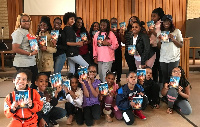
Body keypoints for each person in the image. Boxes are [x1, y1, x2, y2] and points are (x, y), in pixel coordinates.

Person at [12, 13, 38, 89]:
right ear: (19, 22)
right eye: (24, 21)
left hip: (31, 62)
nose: (27, 22)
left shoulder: (27, 32)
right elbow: (15, 48)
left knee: (35, 82)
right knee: (22, 84)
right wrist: (29, 53)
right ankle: (20, 100)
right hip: (22, 63)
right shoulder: (18, 32)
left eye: (28, 20)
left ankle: (33, 98)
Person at [157, 15, 183, 84]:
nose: (166, 24)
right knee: (164, 76)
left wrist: (173, 39)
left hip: (174, 57)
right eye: (164, 22)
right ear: (162, 23)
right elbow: (159, 47)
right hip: (163, 58)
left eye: (168, 22)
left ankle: (173, 93)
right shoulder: (160, 32)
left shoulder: (176, 31)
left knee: (173, 76)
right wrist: (159, 40)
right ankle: (165, 92)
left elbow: (181, 45)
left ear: (171, 22)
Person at [36, 16, 57, 81]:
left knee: (46, 80)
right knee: (40, 80)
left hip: (47, 62)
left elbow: (55, 49)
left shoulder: (51, 36)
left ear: (47, 27)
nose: (42, 27)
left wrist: (46, 48)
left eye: (44, 25)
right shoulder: (37, 36)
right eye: (41, 25)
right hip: (39, 62)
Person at [149, 7, 165, 83]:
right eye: (151, 16)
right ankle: (155, 82)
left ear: (159, 16)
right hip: (152, 47)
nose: (152, 18)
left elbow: (162, 36)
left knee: (160, 67)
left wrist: (154, 32)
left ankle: (161, 83)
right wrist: (149, 32)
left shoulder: (162, 24)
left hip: (159, 47)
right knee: (153, 66)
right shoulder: (152, 24)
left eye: (154, 16)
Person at [110, 17, 122, 84]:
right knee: (112, 66)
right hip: (110, 51)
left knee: (118, 66)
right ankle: (111, 80)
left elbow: (123, 41)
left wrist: (121, 34)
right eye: (112, 23)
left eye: (115, 22)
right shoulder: (108, 32)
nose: (114, 24)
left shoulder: (119, 31)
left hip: (118, 51)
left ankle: (118, 80)